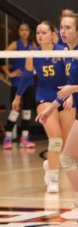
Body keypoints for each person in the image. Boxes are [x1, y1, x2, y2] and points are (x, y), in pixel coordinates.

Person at [23, 14, 78, 199]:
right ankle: (53, 178)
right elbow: (26, 76)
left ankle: (51, 165)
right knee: (57, 142)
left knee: (67, 150)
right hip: (46, 97)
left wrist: (71, 93)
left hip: (67, 99)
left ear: (52, 35)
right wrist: (17, 97)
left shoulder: (64, 52)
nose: (39, 35)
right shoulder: (33, 55)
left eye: (44, 32)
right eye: (37, 32)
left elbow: (71, 80)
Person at [4, 22, 37, 150]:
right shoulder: (15, 44)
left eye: (26, 30)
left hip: (30, 82)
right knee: (15, 110)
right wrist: (9, 73)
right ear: (18, 32)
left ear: (29, 32)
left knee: (27, 111)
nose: (24, 32)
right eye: (21, 30)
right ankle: (7, 138)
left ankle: (25, 138)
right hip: (17, 82)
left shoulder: (32, 45)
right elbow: (1, 58)